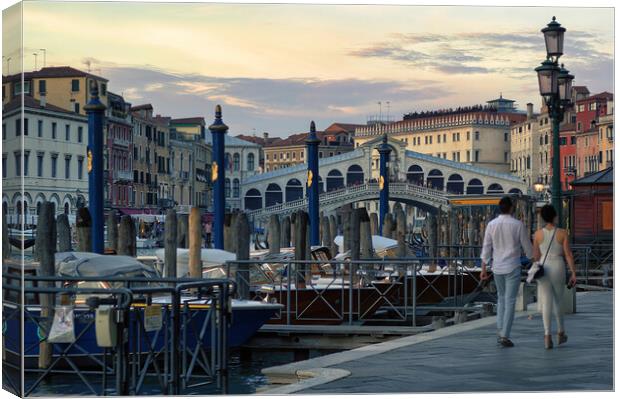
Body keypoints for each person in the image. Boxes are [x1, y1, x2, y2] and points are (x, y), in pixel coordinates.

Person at [480, 196, 533, 347]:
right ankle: (505, 334)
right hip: (513, 266)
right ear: (511, 208)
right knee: (510, 301)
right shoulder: (518, 225)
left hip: (497, 267)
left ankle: (500, 329)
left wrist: (484, 269)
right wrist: (534, 259)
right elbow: (528, 249)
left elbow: (486, 248)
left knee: (501, 298)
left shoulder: (491, 224)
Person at [532, 204, 577, 349]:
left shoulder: (537, 234)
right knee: (558, 301)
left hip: (544, 267)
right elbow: (568, 255)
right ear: (555, 216)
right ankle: (561, 332)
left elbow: (536, 256)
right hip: (558, 265)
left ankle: (547, 336)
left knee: (546, 302)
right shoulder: (562, 233)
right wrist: (573, 272)